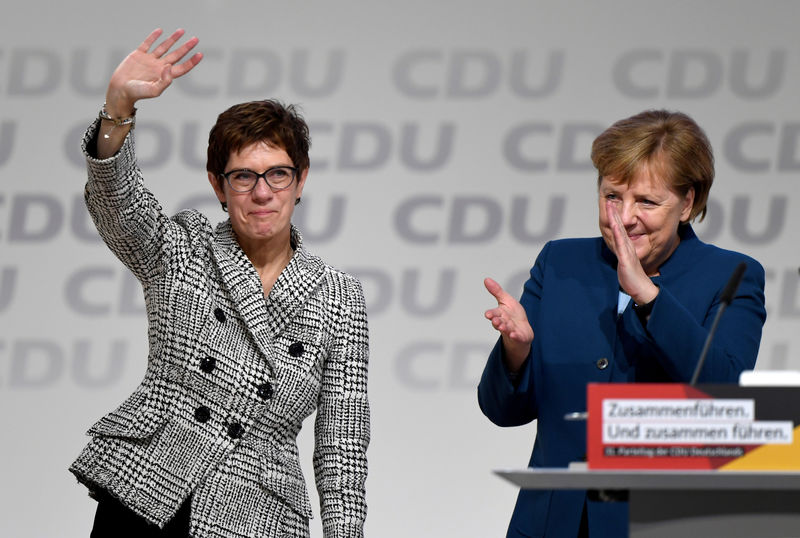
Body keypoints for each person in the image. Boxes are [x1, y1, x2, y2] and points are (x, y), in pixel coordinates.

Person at [69, 29, 370, 538]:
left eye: (277, 174)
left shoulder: (339, 297)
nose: (261, 192)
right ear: (217, 184)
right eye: (242, 176)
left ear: (301, 181)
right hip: (149, 491)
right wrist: (118, 106)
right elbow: (117, 205)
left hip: (257, 513)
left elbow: (342, 446)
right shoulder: (183, 248)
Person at [477, 109, 767, 537]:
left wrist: (648, 296)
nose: (624, 217)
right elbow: (502, 410)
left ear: (688, 203)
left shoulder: (732, 275)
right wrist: (516, 352)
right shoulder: (560, 262)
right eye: (612, 196)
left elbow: (723, 394)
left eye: (646, 201)